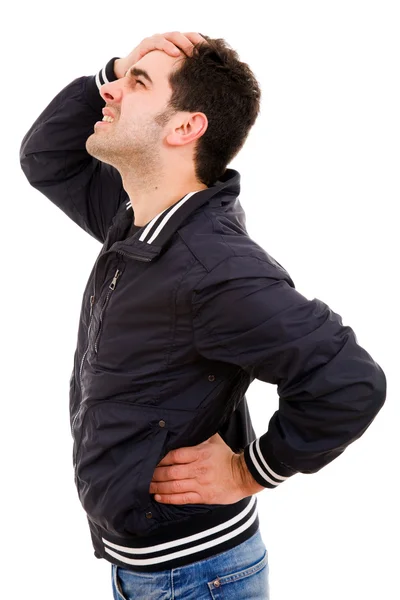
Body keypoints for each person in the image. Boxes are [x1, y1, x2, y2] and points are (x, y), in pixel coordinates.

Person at [19, 31, 387, 600]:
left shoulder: (212, 267)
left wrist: (252, 470)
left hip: (195, 578)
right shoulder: (137, 216)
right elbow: (46, 157)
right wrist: (121, 63)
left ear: (185, 126)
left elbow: (349, 381)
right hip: (150, 570)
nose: (111, 90)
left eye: (135, 83)